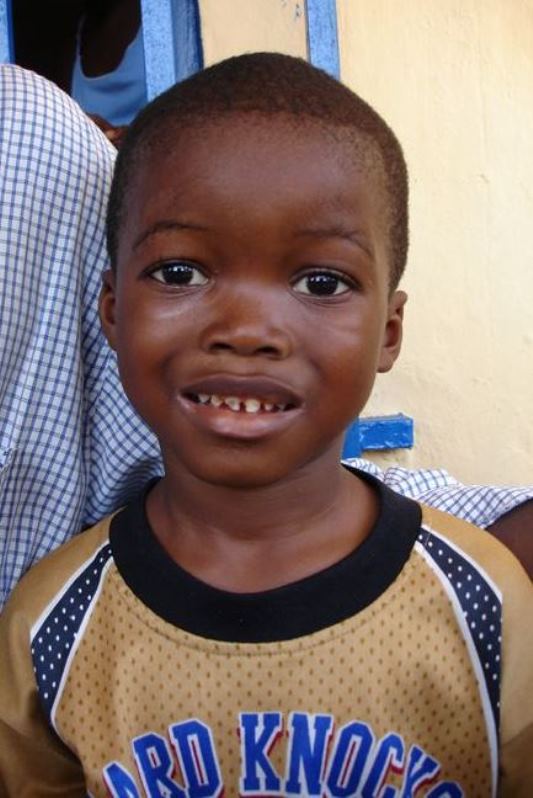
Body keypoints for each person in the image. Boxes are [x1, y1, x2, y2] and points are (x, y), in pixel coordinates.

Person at [0, 53, 531, 796]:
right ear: (112, 312)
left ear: (387, 332)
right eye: (180, 273)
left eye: (321, 282)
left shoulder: (485, 604)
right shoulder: (51, 625)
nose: (246, 329)